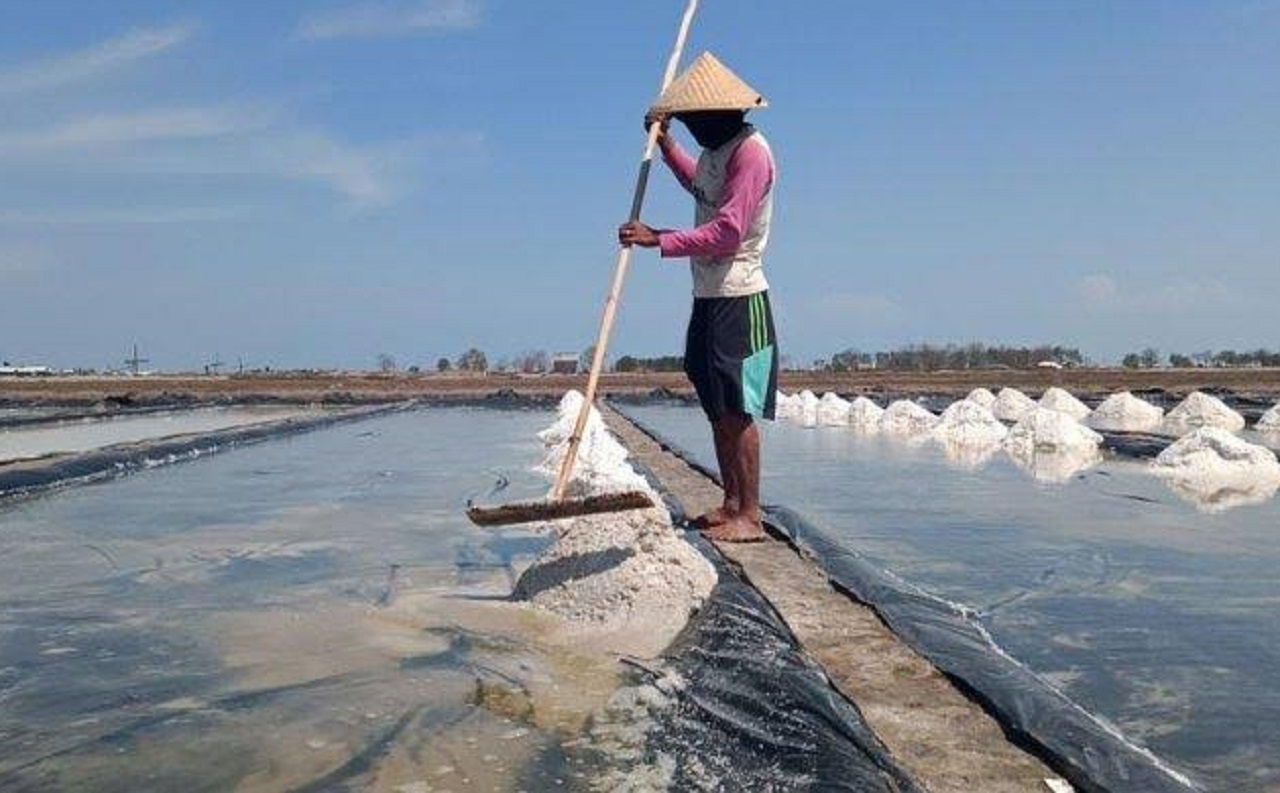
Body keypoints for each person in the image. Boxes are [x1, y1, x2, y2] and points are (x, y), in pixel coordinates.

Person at [618, 52, 777, 543]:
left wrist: (658, 238)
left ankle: (750, 514)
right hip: (707, 294)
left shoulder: (751, 152)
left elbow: (728, 231)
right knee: (711, 396)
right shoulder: (715, 152)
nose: (691, 129)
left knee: (736, 405)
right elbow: (701, 187)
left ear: (719, 114)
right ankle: (729, 501)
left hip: (739, 295)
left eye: (691, 121)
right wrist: (666, 144)